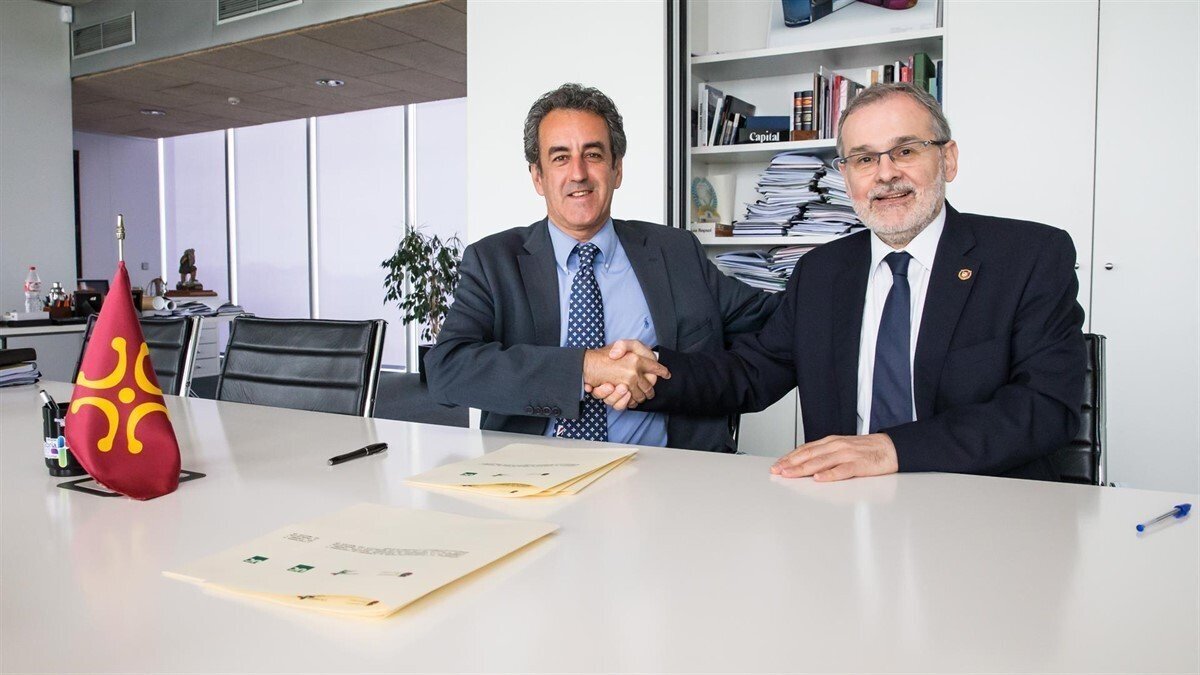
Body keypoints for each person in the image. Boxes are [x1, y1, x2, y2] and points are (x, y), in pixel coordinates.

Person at [597, 82, 1086, 481]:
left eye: (905, 150)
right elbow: (751, 373)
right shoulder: (823, 272)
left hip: (984, 507)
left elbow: (1046, 408)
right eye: (864, 159)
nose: (885, 175)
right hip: (844, 507)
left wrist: (891, 449)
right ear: (846, 175)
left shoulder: (1029, 257)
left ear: (948, 159)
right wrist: (651, 372)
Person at [426, 83, 781, 453]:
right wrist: (585, 367)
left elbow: (772, 320)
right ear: (538, 177)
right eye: (560, 158)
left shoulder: (676, 252)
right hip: (536, 474)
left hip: (668, 472)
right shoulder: (493, 262)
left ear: (617, 169)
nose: (578, 173)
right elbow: (447, 370)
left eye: (593, 155)